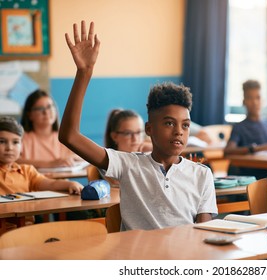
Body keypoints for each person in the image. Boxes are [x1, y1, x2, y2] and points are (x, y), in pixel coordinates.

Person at [59, 21, 217, 231]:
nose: (179, 131)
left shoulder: (202, 174)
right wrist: (84, 72)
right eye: (169, 123)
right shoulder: (128, 165)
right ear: (149, 129)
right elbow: (69, 136)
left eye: (185, 125)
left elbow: (203, 236)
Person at [0, 116, 83, 196]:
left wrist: (71, 184)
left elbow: (51, 184)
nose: (9, 148)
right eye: (2, 142)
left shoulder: (27, 171)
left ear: (21, 145)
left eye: (15, 142)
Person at [224, 79, 267, 179]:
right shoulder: (239, 127)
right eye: (250, 98)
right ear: (244, 102)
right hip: (249, 174)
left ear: (263, 100)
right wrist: (257, 148)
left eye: (258, 97)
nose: (254, 102)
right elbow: (228, 151)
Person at [18, 89, 81, 169]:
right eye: (40, 108)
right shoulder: (21, 138)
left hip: (62, 180)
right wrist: (50, 164)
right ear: (29, 114)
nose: (46, 112)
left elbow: (83, 156)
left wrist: (72, 158)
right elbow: (14, 161)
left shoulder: (64, 137)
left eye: (49, 107)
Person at [88, 108, 153, 184]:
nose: (135, 139)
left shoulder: (149, 155)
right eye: (128, 133)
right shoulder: (109, 162)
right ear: (114, 136)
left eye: (139, 132)